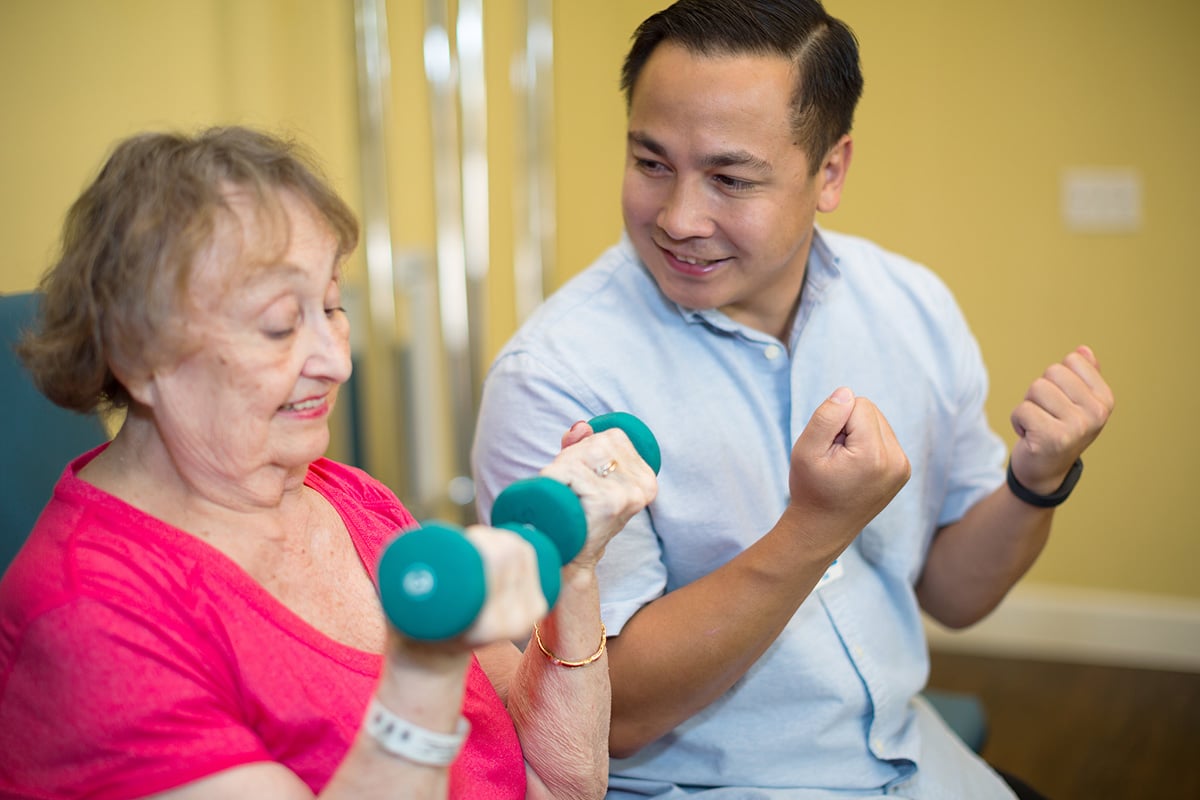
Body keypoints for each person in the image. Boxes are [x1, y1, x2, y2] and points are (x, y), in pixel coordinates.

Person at [471, 1, 1115, 798]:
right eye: (651, 163)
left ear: (831, 171)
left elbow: (955, 594)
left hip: (916, 760)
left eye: (730, 178)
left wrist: (1037, 479)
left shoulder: (911, 307)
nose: (678, 218)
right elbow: (617, 711)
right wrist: (815, 528)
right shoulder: (554, 374)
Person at [0, 126, 657, 800]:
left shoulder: (348, 498)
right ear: (140, 354)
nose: (336, 361)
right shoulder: (90, 617)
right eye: (281, 325)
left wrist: (574, 575)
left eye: (333, 307)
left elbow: (560, 785)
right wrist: (423, 677)